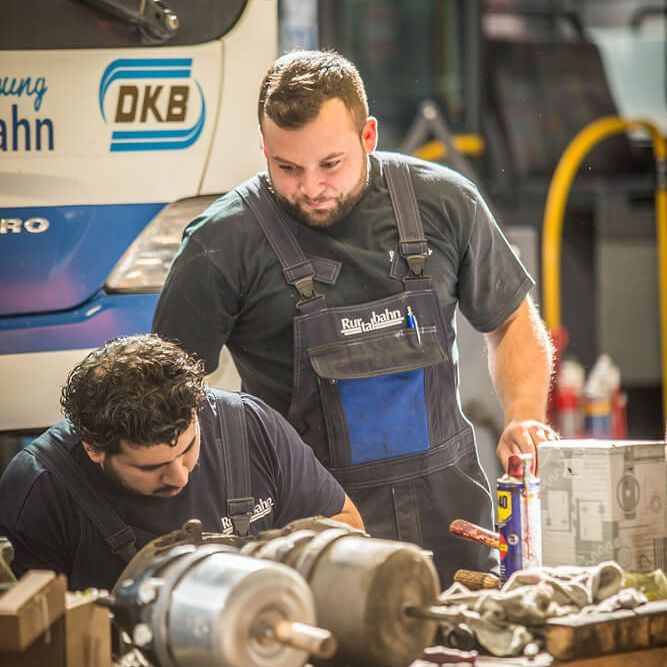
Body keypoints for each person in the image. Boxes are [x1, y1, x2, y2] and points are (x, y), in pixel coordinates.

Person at [152, 50, 557, 584]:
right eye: (287, 168)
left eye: (330, 164)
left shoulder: (445, 203)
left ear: (368, 136)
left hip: (453, 521)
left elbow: (509, 320)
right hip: (311, 536)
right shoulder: (220, 244)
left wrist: (525, 414)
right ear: (265, 149)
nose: (311, 188)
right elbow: (164, 395)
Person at [0, 334, 362, 590]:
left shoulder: (249, 425)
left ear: (197, 408)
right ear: (94, 448)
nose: (179, 477)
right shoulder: (40, 487)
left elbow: (346, 525)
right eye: (150, 467)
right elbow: (26, 633)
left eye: (188, 448)